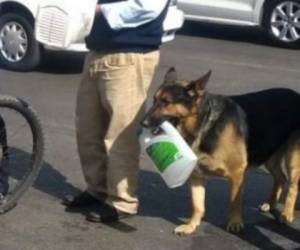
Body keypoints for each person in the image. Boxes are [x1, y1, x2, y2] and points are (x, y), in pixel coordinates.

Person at [63, 0, 170, 223]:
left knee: (121, 134)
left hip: (130, 52)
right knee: (88, 129)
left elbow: (148, 6)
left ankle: (122, 201)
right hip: (97, 51)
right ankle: (97, 189)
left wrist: (99, 9)